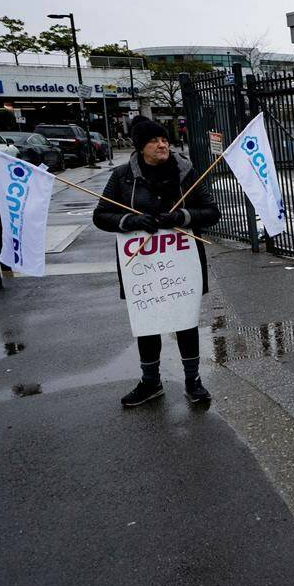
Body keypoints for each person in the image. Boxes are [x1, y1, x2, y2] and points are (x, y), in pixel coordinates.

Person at [92, 118, 220, 407]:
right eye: (154, 141)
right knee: (147, 323)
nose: (162, 145)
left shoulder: (186, 172)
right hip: (141, 268)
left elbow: (211, 211)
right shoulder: (123, 176)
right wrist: (131, 221)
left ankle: (193, 381)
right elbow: (100, 216)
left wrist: (181, 217)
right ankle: (150, 382)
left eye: (164, 139)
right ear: (140, 147)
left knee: (186, 321)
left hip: (182, 264)